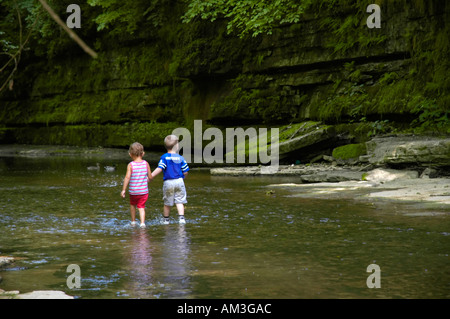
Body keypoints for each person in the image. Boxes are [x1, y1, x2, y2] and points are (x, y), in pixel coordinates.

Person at [151, 135, 189, 225]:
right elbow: (186, 171)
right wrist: (184, 178)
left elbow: (160, 168)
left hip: (168, 182)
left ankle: (166, 220)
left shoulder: (164, 157)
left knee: (167, 202)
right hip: (179, 181)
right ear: (176, 146)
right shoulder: (180, 158)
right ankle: (181, 219)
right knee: (180, 201)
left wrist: (151, 176)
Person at [121, 142, 153, 228]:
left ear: (130, 154)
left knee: (132, 205)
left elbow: (127, 178)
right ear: (143, 153)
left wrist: (123, 190)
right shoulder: (146, 164)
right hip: (143, 192)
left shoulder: (130, 165)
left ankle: (133, 221)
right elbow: (150, 177)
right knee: (141, 207)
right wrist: (147, 179)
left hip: (133, 191)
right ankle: (142, 223)